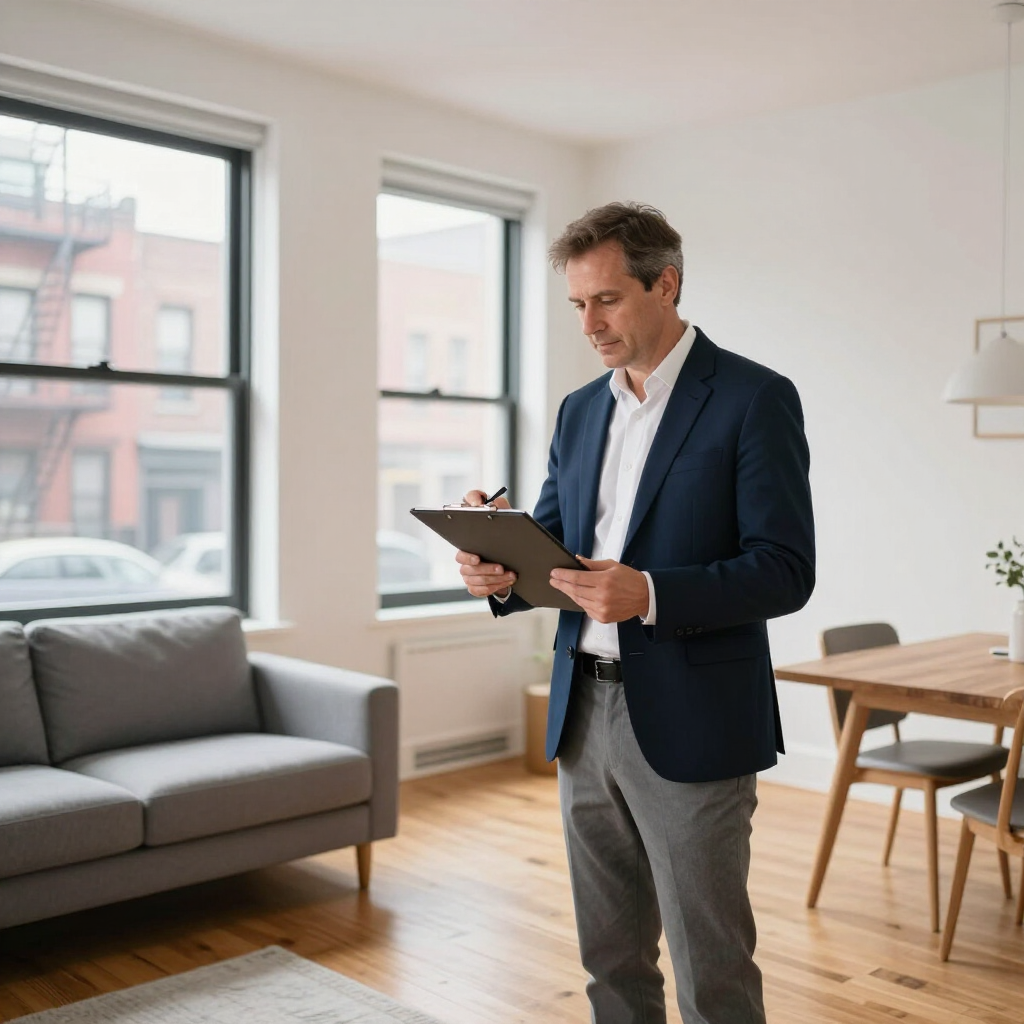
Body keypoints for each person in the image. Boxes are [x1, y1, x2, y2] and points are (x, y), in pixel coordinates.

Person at [456, 202, 814, 1024]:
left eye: (607, 299)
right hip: (584, 708)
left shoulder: (755, 399)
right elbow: (557, 546)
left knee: (709, 962)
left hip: (695, 714)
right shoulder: (582, 409)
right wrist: (499, 563)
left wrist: (651, 592)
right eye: (578, 304)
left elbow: (785, 571)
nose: (590, 322)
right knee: (609, 955)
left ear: (667, 283)